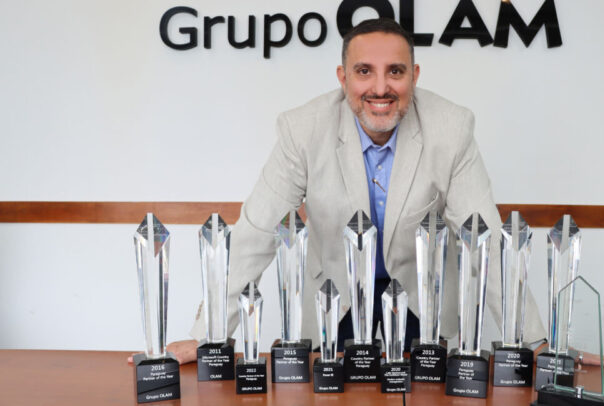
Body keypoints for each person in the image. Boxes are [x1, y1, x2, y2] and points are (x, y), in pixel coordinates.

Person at [136, 17, 554, 365]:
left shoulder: (452, 128)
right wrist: (208, 334)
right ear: (343, 77)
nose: (380, 88)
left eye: (395, 71)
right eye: (364, 71)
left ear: (414, 76)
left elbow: (484, 240)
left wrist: (533, 341)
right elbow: (256, 233)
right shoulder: (302, 129)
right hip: (333, 298)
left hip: (420, 301)